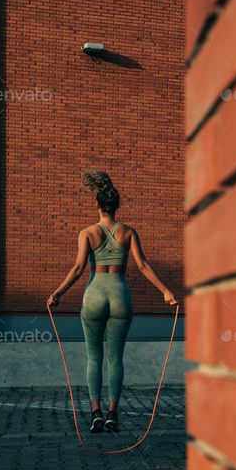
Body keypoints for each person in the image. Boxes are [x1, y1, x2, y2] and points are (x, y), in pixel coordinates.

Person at [48, 170, 178, 433]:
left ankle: (95, 413)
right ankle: (112, 415)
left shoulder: (87, 233)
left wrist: (57, 293)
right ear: (116, 206)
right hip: (120, 296)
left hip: (95, 294)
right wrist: (166, 291)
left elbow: (77, 268)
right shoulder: (128, 232)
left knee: (94, 358)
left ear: (97, 205)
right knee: (115, 358)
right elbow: (142, 266)